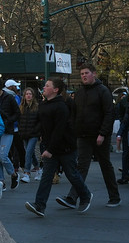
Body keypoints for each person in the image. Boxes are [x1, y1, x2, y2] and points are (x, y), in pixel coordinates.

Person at [24, 77, 92, 216]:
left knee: (71, 174)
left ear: (55, 90)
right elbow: (42, 124)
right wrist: (39, 135)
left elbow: (59, 130)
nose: (44, 87)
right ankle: (39, 205)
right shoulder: (43, 105)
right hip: (51, 146)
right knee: (47, 176)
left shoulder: (61, 106)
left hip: (65, 147)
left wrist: (50, 150)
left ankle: (85, 195)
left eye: (47, 85)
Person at [59, 63, 119, 209]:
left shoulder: (103, 91)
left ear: (94, 74)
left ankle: (114, 196)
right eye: (82, 74)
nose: (84, 76)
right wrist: (73, 131)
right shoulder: (79, 93)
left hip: (99, 135)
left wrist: (103, 133)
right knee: (81, 167)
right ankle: (72, 197)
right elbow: (74, 114)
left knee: (105, 166)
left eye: (86, 73)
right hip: (83, 135)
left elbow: (109, 113)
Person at [0, 77, 21, 187]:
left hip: (7, 130)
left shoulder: (9, 97)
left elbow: (17, 113)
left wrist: (8, 121)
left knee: (2, 156)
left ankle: (13, 174)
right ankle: (0, 182)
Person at [18, 86, 42, 180]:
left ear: (33, 96)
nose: (28, 96)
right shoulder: (21, 107)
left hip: (33, 133)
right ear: (24, 96)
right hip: (24, 133)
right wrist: (20, 130)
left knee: (28, 152)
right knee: (30, 153)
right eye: (27, 94)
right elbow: (19, 120)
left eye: (30, 94)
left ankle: (27, 172)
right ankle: (38, 168)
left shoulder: (37, 107)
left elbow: (40, 121)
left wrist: (37, 131)